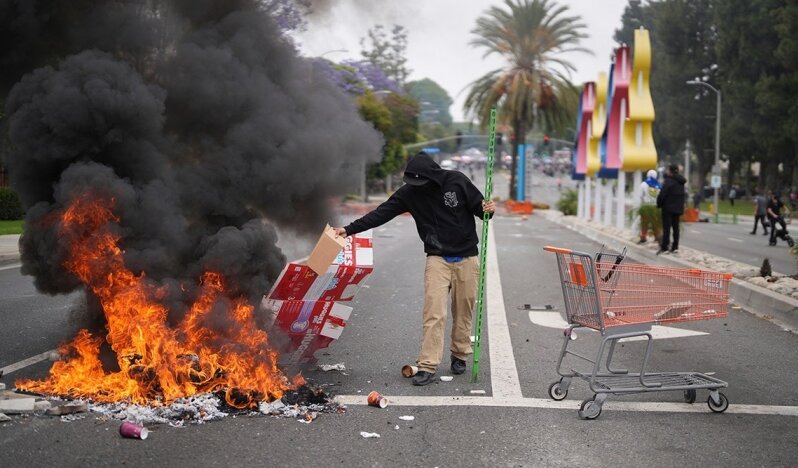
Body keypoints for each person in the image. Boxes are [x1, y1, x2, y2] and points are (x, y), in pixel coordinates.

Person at [333, 152, 495, 386]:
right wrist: (348, 230)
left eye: (422, 182)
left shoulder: (457, 181)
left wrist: (489, 209)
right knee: (434, 313)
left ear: (432, 176)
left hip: (467, 257)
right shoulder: (409, 193)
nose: (418, 187)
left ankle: (460, 354)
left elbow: (482, 212)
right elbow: (381, 213)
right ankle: (428, 365)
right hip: (437, 259)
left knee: (464, 310)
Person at [656, 164, 686, 255]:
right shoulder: (681, 182)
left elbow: (662, 195)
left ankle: (665, 247)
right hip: (678, 208)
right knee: (676, 228)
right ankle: (675, 247)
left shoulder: (668, 181)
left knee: (667, 228)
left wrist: (659, 204)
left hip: (667, 208)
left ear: (670, 171)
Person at [637, 169, 661, 244]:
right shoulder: (659, 185)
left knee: (644, 223)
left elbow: (640, 196)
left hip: (646, 206)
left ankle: (643, 238)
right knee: (656, 223)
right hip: (656, 207)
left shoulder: (644, 184)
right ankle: (657, 237)